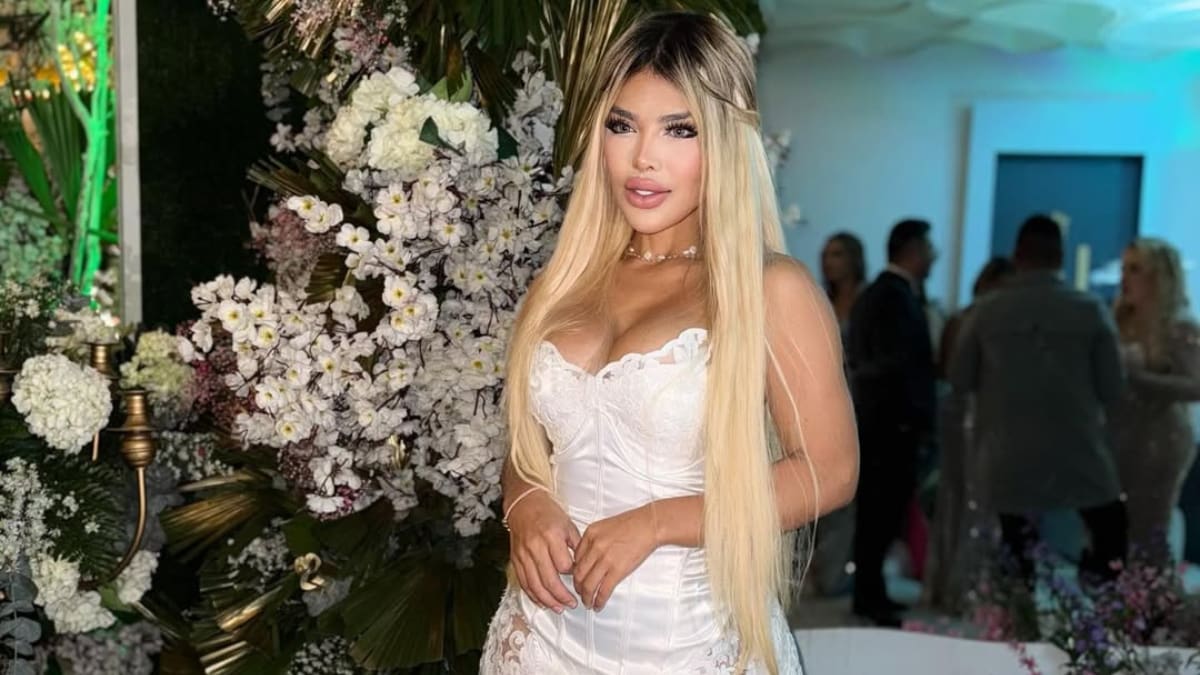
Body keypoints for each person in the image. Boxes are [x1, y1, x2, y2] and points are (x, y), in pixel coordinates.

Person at [480, 12, 859, 674]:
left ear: (725, 140)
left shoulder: (768, 289)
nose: (643, 158)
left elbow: (830, 471)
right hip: (537, 642)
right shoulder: (561, 283)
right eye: (621, 125)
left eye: (679, 129)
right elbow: (529, 448)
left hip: (687, 645)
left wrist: (660, 520)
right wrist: (525, 503)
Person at [949, 215, 1126, 588]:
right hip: (1077, 450)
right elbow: (1112, 388)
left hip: (1006, 453)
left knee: (1014, 550)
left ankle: (1016, 616)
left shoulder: (987, 311)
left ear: (1017, 255)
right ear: (1061, 256)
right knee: (1109, 531)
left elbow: (959, 378)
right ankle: (1105, 611)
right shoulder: (1089, 309)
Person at [846, 218, 938, 626]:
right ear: (912, 250)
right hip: (889, 427)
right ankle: (869, 594)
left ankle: (871, 591)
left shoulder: (884, 294)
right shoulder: (891, 297)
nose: (933, 257)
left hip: (882, 425)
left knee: (880, 512)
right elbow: (892, 365)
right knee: (880, 512)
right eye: (929, 249)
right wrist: (907, 418)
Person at [922, 257, 1014, 613]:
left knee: (956, 497)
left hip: (956, 411)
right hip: (975, 416)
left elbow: (943, 369)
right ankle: (965, 589)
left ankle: (947, 583)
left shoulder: (960, 318)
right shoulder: (986, 323)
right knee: (975, 500)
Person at [1110, 238, 1200, 566]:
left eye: (1135, 269)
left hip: (1161, 440)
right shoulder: (1117, 321)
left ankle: (1150, 593)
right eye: (1123, 269)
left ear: (1158, 277)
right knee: (1113, 530)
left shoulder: (1179, 326)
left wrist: (1141, 380)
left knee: (1149, 529)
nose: (1125, 278)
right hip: (1120, 435)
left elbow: (1196, 386)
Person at [802, 232, 867, 598]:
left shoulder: (867, 301)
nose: (830, 261)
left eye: (838, 254)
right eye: (826, 254)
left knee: (846, 486)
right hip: (817, 401)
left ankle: (840, 572)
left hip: (860, 401)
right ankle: (819, 570)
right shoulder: (816, 298)